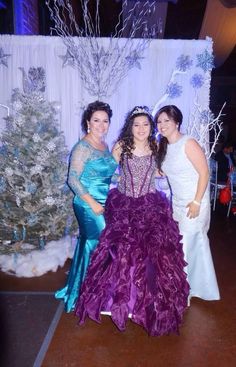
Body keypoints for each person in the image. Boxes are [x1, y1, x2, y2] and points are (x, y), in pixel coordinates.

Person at [75, 106, 189, 336]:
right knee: (120, 253)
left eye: (145, 124)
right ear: (130, 126)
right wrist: (95, 189)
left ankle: (150, 304)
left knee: (153, 254)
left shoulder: (157, 146)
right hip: (124, 204)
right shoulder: (120, 146)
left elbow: (160, 170)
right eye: (136, 124)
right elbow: (106, 171)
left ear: (151, 127)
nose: (141, 128)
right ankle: (117, 303)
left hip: (150, 205)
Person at [55, 101, 117, 312]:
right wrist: (92, 203)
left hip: (103, 202)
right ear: (88, 123)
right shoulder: (82, 147)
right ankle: (88, 295)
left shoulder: (104, 145)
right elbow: (72, 179)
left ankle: (83, 290)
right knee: (99, 245)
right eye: (96, 120)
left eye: (105, 121)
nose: (101, 125)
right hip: (87, 203)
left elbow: (106, 173)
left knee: (91, 244)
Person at [155, 105, 220, 302]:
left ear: (177, 122)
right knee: (183, 245)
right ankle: (189, 286)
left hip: (194, 202)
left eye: (167, 120)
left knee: (189, 244)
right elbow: (162, 173)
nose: (162, 125)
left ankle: (184, 291)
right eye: (159, 121)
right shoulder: (163, 146)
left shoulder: (188, 142)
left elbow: (204, 173)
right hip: (178, 203)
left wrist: (197, 201)